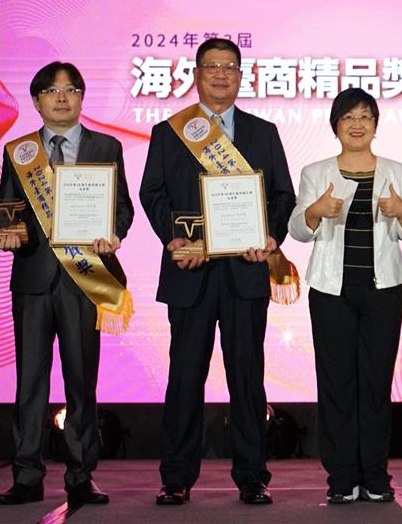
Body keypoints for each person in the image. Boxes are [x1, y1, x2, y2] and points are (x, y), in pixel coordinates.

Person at [139, 38, 295, 506]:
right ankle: (176, 476)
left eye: (230, 66)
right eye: (212, 66)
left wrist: (270, 237)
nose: (221, 74)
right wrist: (175, 238)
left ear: (241, 76)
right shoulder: (170, 132)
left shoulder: (263, 132)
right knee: (185, 375)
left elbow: (283, 196)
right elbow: (152, 193)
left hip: (246, 273)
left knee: (247, 377)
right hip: (190, 273)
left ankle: (252, 475)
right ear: (196, 74)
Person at [0, 61, 134, 506]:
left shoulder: (106, 146)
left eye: (71, 90)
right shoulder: (19, 151)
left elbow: (122, 208)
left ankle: (80, 475)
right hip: (33, 280)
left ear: (81, 98)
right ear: (36, 101)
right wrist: (7, 231)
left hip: (83, 280)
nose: (61, 98)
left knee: (81, 381)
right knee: (30, 382)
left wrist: (113, 234)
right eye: (51, 91)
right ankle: (26, 475)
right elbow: (6, 208)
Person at [289, 88, 402, 504]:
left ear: (376, 125)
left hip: (383, 289)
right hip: (331, 290)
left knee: (376, 382)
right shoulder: (316, 171)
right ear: (335, 126)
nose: (357, 124)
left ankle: (375, 475)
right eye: (348, 117)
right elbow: (297, 229)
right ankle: (342, 476)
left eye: (365, 116)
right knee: (336, 383)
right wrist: (315, 211)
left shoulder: (397, 170)